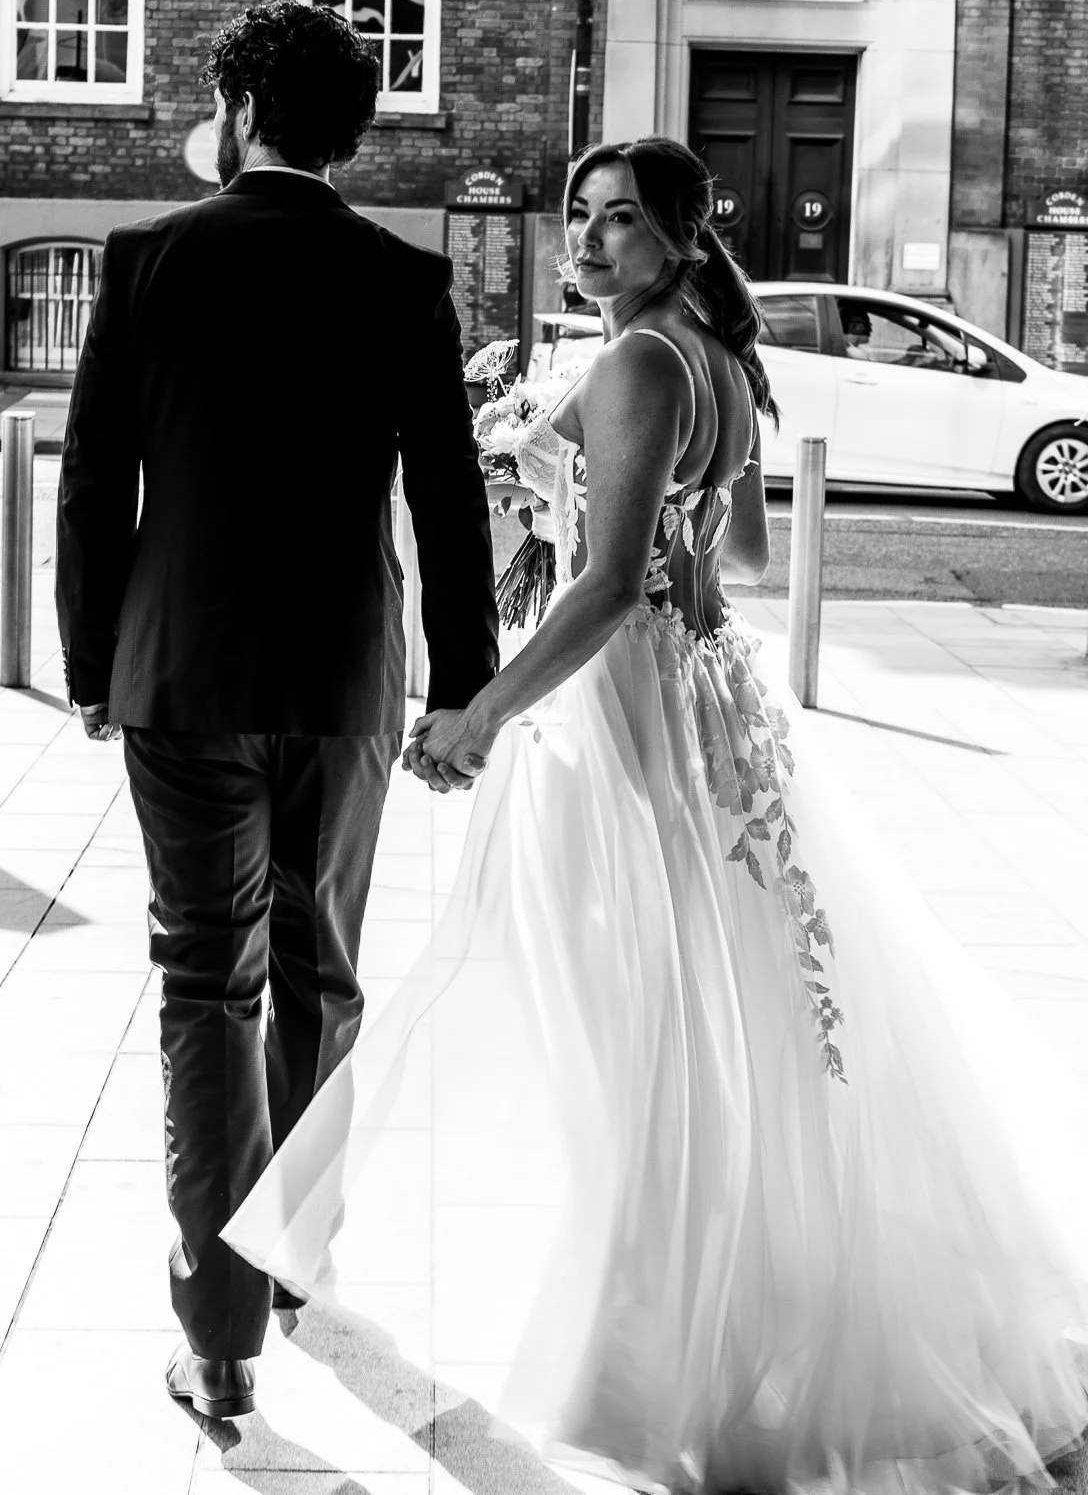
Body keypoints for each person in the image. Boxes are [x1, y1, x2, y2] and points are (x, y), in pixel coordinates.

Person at [225, 135, 1088, 1488]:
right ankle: (687, 1312)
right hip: (707, 711)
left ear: (684, 236)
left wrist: (484, 704)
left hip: (620, 720)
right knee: (698, 1017)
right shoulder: (722, 360)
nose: (588, 237)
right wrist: (580, 494)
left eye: (622, 220)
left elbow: (614, 581)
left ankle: (603, 1320)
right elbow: (732, 552)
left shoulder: (638, 360)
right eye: (581, 214)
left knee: (618, 1026)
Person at [54, 0, 499, 1421]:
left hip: (181, 677)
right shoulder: (400, 280)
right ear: (350, 136)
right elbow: (448, 489)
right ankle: (292, 1252)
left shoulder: (144, 263)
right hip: (343, 679)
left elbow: (92, 487)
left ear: (240, 110)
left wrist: (86, 658)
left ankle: (222, 1335)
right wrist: (466, 677)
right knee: (319, 969)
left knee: (207, 982)